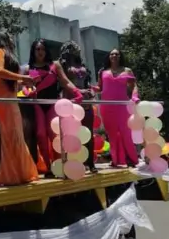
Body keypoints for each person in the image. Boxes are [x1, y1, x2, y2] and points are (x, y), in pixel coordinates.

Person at [21, 39, 83, 176]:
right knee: (41, 135)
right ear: (33, 51)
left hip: (53, 104)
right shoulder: (27, 68)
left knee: (55, 135)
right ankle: (48, 167)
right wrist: (27, 92)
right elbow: (24, 86)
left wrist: (77, 92)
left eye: (42, 49)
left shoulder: (54, 65)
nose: (40, 52)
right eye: (37, 49)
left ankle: (59, 165)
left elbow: (65, 81)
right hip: (37, 104)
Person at [0, 31, 39, 186]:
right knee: (12, 136)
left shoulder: (4, 53)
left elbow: (7, 76)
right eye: (9, 36)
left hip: (7, 97)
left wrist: (24, 83)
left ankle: (18, 173)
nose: (11, 38)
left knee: (14, 135)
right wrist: (23, 78)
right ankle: (10, 175)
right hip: (1, 98)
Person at [56, 41, 99, 173]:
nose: (75, 50)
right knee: (71, 134)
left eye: (76, 48)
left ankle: (90, 162)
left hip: (86, 101)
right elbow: (63, 83)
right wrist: (78, 92)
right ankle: (72, 163)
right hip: (71, 101)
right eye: (71, 48)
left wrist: (90, 90)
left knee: (88, 133)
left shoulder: (82, 65)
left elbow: (86, 81)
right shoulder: (62, 65)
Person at [94, 48, 139, 167]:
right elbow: (100, 88)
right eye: (112, 54)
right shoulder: (102, 72)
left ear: (120, 56)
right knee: (112, 134)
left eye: (117, 54)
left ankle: (132, 159)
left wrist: (134, 97)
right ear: (109, 57)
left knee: (126, 132)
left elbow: (134, 86)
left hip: (122, 105)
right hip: (107, 106)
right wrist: (92, 88)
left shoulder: (127, 70)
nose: (114, 55)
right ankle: (116, 160)